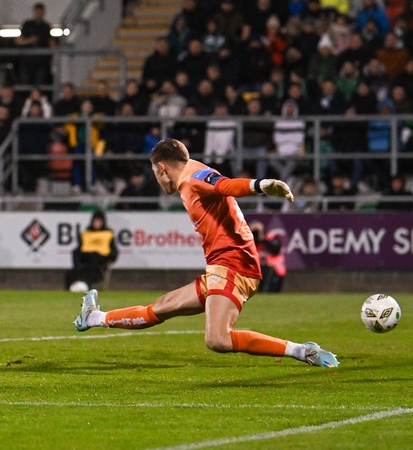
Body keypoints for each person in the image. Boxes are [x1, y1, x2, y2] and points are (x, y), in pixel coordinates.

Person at [74, 139, 340, 368]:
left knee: (218, 339)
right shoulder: (192, 174)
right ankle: (94, 317)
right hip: (221, 267)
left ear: (162, 168)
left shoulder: (194, 177)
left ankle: (302, 351)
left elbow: (226, 186)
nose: (156, 179)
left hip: (232, 265)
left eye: (155, 172)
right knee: (161, 308)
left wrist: (261, 184)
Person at [64, 210, 118, 293]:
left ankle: (84, 285)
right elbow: (79, 249)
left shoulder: (108, 234)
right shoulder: (86, 233)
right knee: (73, 265)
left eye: (99, 221)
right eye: (96, 221)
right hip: (85, 259)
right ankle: (72, 286)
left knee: (93, 259)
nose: (97, 224)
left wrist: (107, 257)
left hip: (99, 263)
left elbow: (114, 253)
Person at [14, 3, 57, 86]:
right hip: (27, 61)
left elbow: (51, 43)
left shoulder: (46, 27)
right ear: (34, 12)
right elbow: (18, 41)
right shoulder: (27, 25)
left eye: (41, 12)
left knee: (40, 84)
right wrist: (30, 40)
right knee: (25, 84)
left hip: (42, 62)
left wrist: (53, 57)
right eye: (37, 12)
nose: (39, 14)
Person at [249, 220, 286, 293]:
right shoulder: (247, 241)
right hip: (254, 270)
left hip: (273, 271)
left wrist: (262, 239)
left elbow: (276, 249)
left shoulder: (270, 238)